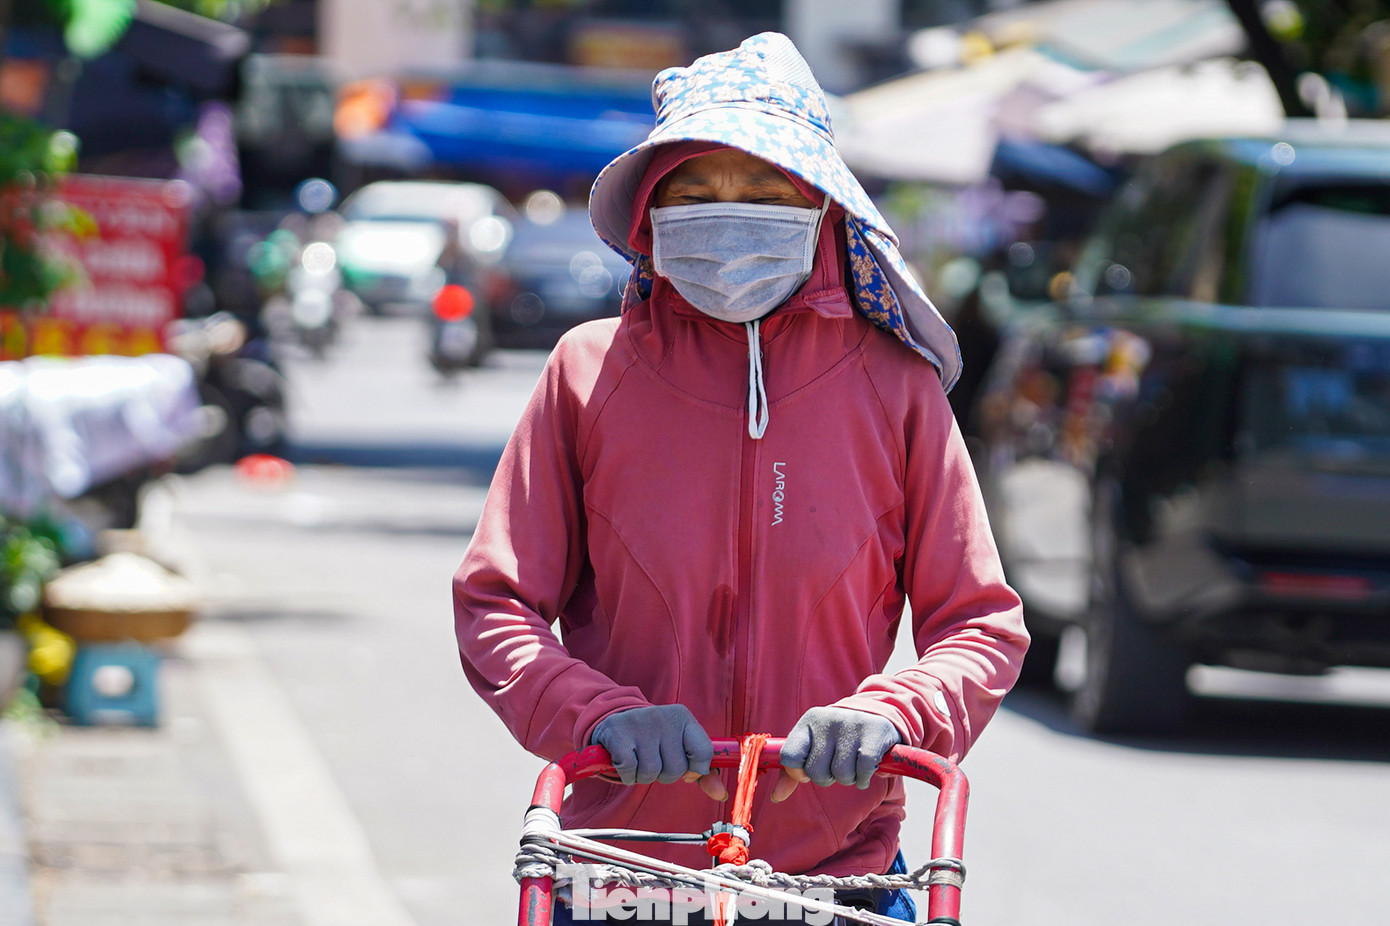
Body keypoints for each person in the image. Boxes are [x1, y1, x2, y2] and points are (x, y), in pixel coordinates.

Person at [453, 33, 1028, 924]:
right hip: (622, 876)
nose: (729, 210)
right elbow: (497, 606)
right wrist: (599, 717)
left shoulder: (897, 387)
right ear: (651, 213)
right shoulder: (586, 373)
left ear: (821, 206)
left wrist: (895, 713)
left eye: (763, 187)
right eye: (695, 188)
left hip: (840, 879)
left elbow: (981, 625)